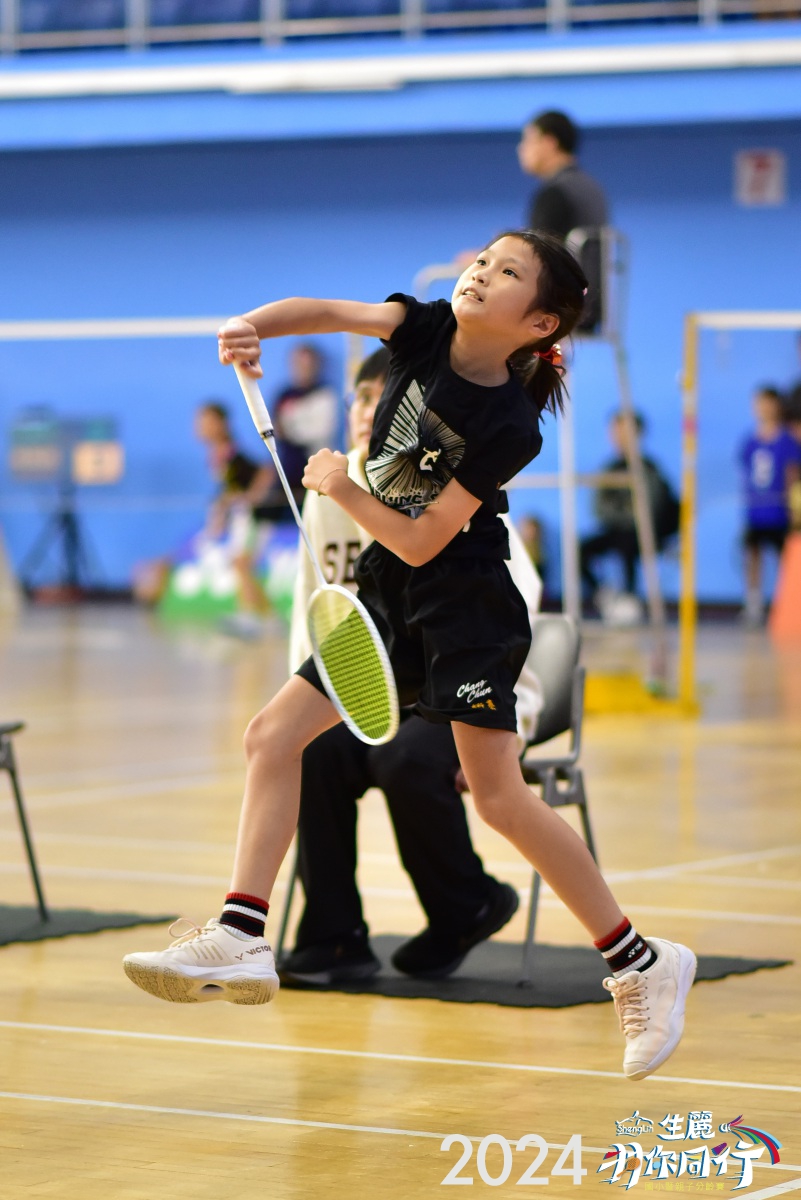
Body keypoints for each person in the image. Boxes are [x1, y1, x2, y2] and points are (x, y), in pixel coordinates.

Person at [123, 229, 696, 1083]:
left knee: (499, 800)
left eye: (507, 272)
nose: (480, 274)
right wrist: (252, 325)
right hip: (387, 596)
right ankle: (242, 932)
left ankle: (640, 962)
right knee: (271, 737)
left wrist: (341, 486)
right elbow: (327, 310)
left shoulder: (509, 422)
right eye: (482, 260)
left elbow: (427, 539)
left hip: (465, 609)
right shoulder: (422, 326)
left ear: (538, 323)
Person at [282, 346, 543, 985]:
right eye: (358, 399)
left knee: (406, 759)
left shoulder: (445, 490)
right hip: (376, 687)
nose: (363, 412)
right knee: (311, 750)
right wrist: (301, 704)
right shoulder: (327, 495)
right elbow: (314, 614)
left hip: (467, 685)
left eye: (379, 400)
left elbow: (518, 602)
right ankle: (333, 936)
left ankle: (465, 905)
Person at [131, 399, 272, 609]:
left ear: (221, 424)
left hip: (251, 518)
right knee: (239, 565)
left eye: (206, 421)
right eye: (199, 422)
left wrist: (250, 498)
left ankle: (258, 615)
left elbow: (265, 472)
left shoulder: (229, 453)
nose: (200, 427)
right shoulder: (216, 455)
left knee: (242, 564)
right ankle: (258, 614)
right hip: (236, 520)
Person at [579, 410, 679, 623]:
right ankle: (604, 596)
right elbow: (599, 508)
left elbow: (649, 509)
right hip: (615, 530)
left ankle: (630, 598)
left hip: (644, 534)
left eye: (624, 431)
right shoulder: (610, 469)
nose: (618, 437)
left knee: (628, 543)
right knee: (580, 549)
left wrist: (622, 513)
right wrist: (621, 513)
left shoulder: (649, 469)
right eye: (615, 431)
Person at [517, 110, 608, 332]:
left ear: (549, 143)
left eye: (528, 140)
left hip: (566, 307)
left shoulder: (555, 194)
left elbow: (536, 255)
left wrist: (486, 260)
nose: (520, 149)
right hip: (592, 304)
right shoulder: (591, 188)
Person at [739, 385, 801, 627]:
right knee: (753, 555)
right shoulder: (751, 441)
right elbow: (746, 474)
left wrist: (792, 507)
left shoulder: (786, 441)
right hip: (756, 511)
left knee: (785, 557)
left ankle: (786, 602)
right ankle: (753, 604)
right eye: (759, 403)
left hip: (779, 512)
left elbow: (791, 474)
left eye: (767, 403)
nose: (763, 408)